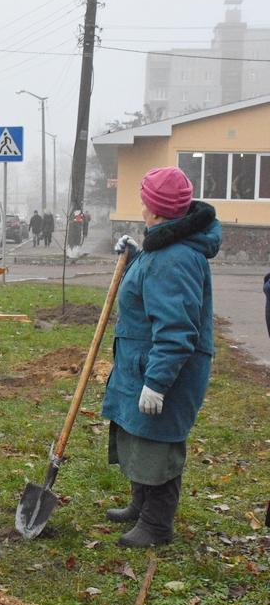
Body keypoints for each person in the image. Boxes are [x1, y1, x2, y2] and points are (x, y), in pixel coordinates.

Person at [102, 166, 221, 548]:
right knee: (141, 435)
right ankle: (141, 504)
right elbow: (151, 282)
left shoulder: (176, 258)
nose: (141, 206)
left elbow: (176, 329)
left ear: (155, 209)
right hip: (143, 362)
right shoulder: (165, 247)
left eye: (144, 200)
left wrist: (157, 382)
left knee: (159, 443)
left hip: (164, 369)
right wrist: (136, 257)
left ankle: (156, 524)